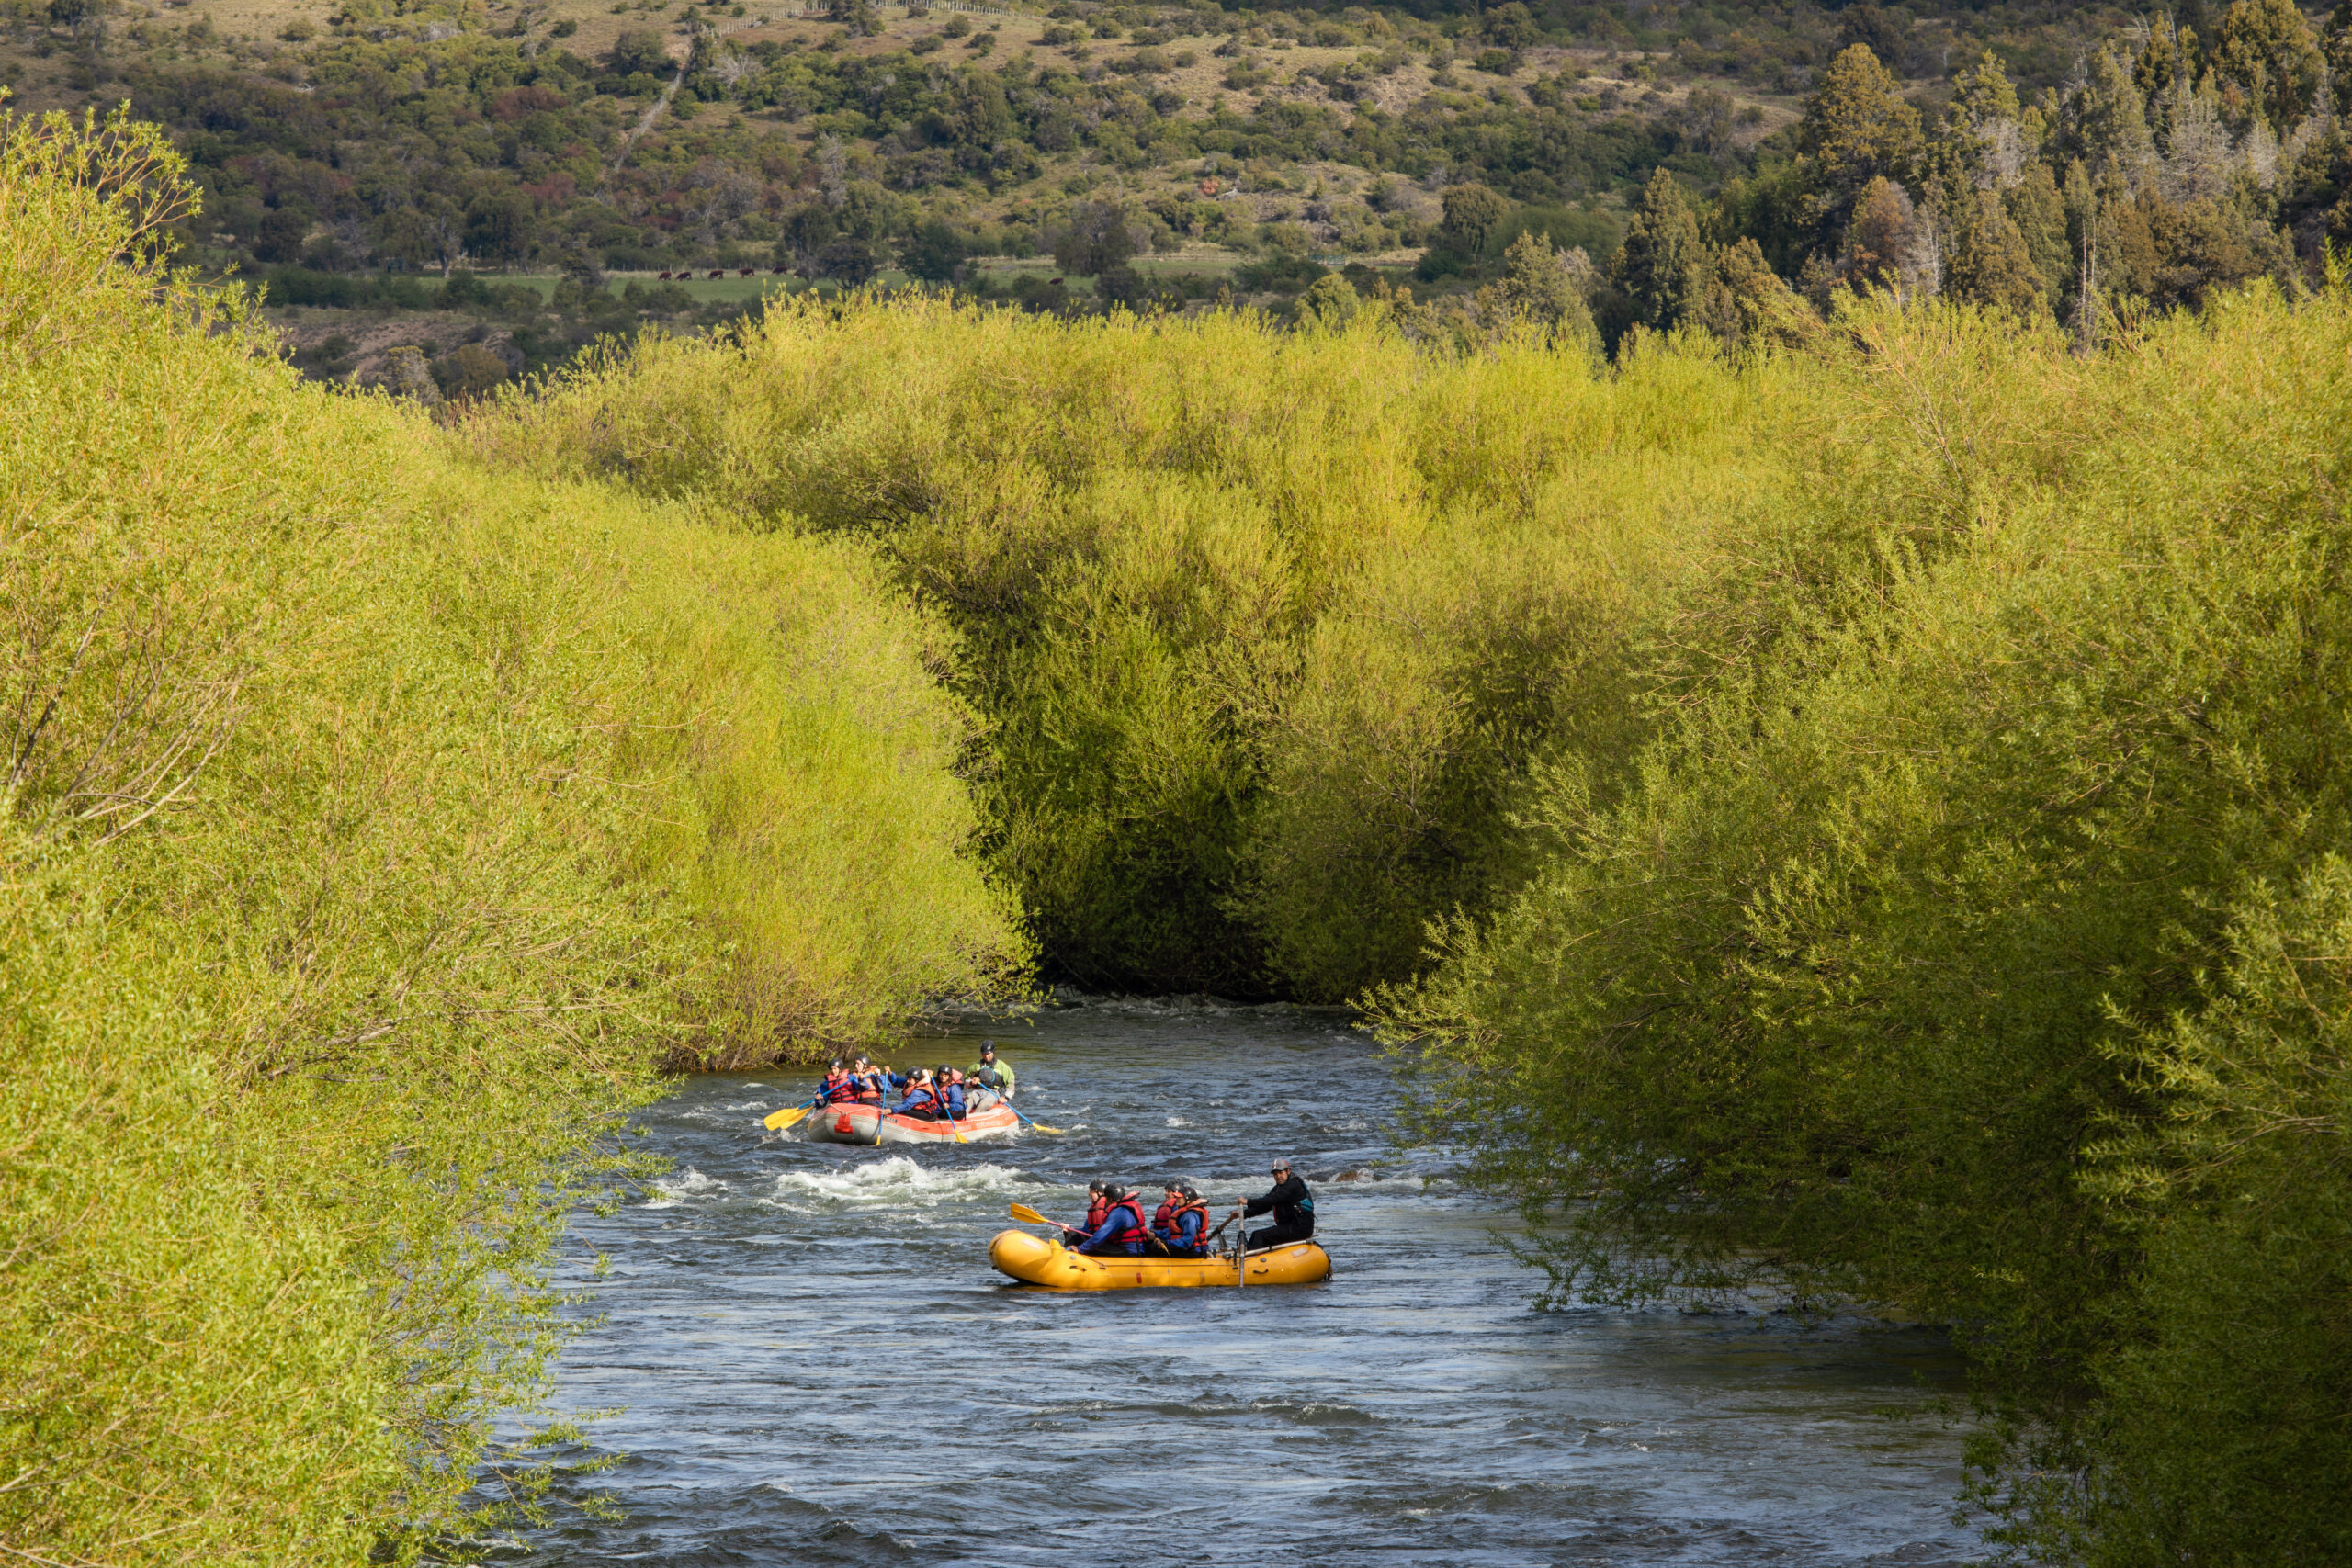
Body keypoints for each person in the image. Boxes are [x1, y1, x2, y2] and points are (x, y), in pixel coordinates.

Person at [1232, 1159, 1314, 1251]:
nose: (1278, 1176)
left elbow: (1272, 1199)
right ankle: (1248, 1253)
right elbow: (1264, 1207)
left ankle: (1250, 1260)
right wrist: (1243, 1214)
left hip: (1300, 1227)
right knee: (1255, 1234)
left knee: (1260, 1235)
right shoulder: (1277, 1189)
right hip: (1288, 1226)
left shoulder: (1294, 1185)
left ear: (1288, 1171)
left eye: (1280, 1173)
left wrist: (1248, 1202)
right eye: (1275, 1174)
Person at [1074, 1182, 1153, 1257]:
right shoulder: (1125, 1208)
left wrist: (1079, 1249)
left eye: (1106, 1198)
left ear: (1110, 1199)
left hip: (1128, 1251)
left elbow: (1101, 1234)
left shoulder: (1119, 1212)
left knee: (1089, 1246)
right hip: (1135, 1248)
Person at [1154, 1180, 1211, 1258]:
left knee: (1153, 1248)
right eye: (1176, 1196)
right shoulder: (1183, 1212)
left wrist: (1166, 1243)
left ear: (1188, 1201)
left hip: (1193, 1252)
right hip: (1188, 1249)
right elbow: (1173, 1231)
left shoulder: (1189, 1216)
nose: (1177, 1198)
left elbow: (1187, 1241)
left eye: (1180, 1197)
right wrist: (1155, 1234)